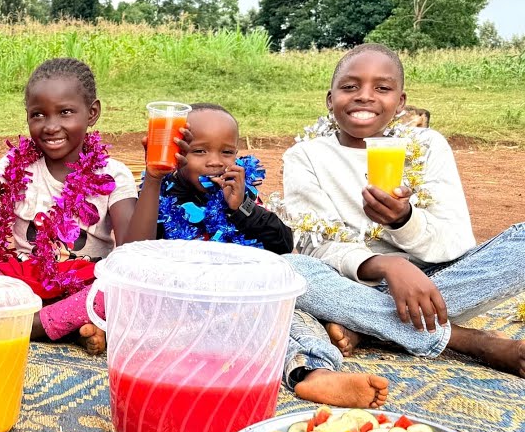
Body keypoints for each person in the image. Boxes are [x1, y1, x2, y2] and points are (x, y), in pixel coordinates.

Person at [280, 43, 525, 377]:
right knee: (289, 269)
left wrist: (403, 219)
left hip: (436, 285)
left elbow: (455, 242)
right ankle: (467, 340)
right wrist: (385, 265)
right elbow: (317, 244)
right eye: (350, 87)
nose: (365, 96)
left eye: (382, 88)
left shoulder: (427, 145)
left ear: (400, 102)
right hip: (353, 284)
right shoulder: (305, 156)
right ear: (330, 99)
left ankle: (366, 325)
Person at [125, 103, 389, 407]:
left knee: (294, 284)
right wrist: (155, 177)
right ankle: (324, 361)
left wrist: (241, 209)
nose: (214, 163)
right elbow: (133, 254)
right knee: (267, 321)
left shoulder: (239, 192)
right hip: (198, 311)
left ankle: (316, 373)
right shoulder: (159, 195)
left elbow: (282, 243)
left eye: (226, 152)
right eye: (199, 152)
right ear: (177, 152)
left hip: (256, 299)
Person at [0, 58, 134, 352]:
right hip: (21, 284)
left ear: (92, 113)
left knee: (115, 290)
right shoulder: (16, 163)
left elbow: (131, 252)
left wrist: (155, 180)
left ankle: (27, 326)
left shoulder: (114, 174)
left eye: (66, 112)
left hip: (82, 283)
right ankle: (65, 326)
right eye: (38, 115)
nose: (51, 126)